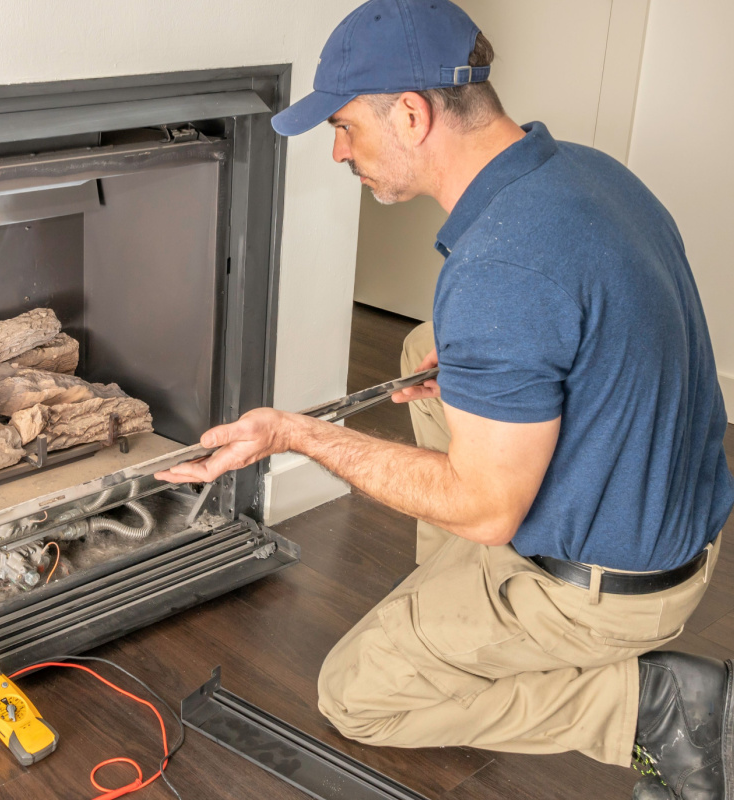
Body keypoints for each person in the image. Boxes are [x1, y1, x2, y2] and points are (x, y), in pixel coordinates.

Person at [154, 1, 734, 797]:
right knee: (423, 344)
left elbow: (492, 510)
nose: (336, 151)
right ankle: (457, 602)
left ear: (412, 114)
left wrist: (298, 435)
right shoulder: (584, 172)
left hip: (609, 593)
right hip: (676, 527)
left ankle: (650, 707)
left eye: (346, 126)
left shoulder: (503, 270)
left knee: (358, 695)